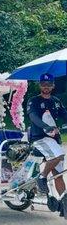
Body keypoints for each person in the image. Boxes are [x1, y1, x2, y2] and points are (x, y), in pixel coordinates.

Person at [27, 73, 67, 215]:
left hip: (54, 141)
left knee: (58, 174)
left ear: (53, 86)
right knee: (59, 156)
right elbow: (33, 117)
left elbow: (64, 114)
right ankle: (42, 177)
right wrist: (45, 126)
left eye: (49, 84)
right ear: (40, 85)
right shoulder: (34, 101)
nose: (46, 87)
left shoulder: (56, 101)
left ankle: (63, 203)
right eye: (43, 84)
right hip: (39, 139)